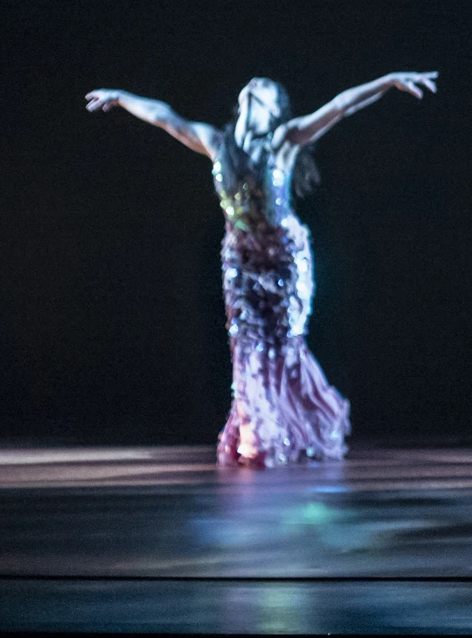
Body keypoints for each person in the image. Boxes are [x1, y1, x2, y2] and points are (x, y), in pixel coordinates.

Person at [85, 71, 438, 467]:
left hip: (285, 259)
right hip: (240, 260)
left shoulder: (284, 140)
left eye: (266, 87)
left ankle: (296, 427)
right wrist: (122, 97)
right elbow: (164, 117)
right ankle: (257, 433)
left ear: (274, 110)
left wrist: (387, 82)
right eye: (251, 84)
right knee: (246, 345)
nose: (256, 85)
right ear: (241, 103)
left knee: (284, 345)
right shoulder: (215, 142)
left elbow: (340, 106)